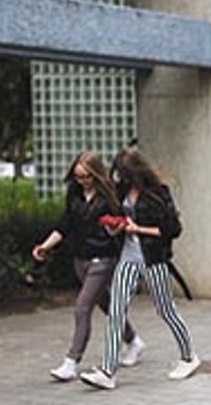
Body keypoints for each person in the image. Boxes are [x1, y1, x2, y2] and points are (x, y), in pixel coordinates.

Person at [79, 147, 199, 390]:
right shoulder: (121, 191)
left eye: (125, 174)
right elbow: (123, 223)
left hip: (153, 260)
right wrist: (116, 228)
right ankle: (108, 371)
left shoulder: (157, 194)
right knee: (116, 312)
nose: (122, 179)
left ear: (136, 171)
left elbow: (172, 230)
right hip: (127, 259)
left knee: (165, 310)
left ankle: (189, 357)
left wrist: (139, 229)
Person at [32, 151, 143, 382]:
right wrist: (45, 246)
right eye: (78, 177)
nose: (82, 181)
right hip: (80, 258)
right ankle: (133, 340)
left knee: (82, 307)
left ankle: (71, 362)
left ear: (96, 174)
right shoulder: (74, 193)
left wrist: (115, 228)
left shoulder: (110, 193)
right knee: (106, 303)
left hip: (103, 258)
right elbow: (65, 224)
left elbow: (123, 223)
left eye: (86, 177)